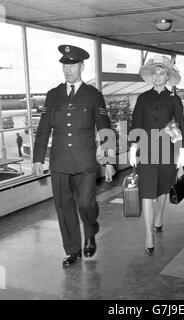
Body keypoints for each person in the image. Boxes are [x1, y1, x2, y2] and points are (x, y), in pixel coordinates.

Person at [32, 45, 114, 267]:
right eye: (65, 65)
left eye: (73, 65)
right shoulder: (53, 95)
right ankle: (72, 250)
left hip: (86, 161)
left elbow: (105, 128)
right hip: (59, 162)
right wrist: (38, 158)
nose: (68, 69)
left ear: (82, 66)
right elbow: (43, 129)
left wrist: (107, 161)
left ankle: (90, 230)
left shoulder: (93, 95)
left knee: (86, 203)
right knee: (63, 207)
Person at [129, 55, 184, 255]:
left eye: (161, 73)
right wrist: (132, 148)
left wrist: (182, 157)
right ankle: (148, 235)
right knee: (147, 192)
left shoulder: (175, 100)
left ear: (167, 76)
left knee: (162, 189)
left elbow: (181, 128)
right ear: (151, 76)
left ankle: (159, 218)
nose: (158, 76)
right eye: (155, 73)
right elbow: (135, 124)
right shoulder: (143, 98)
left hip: (168, 152)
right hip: (145, 150)